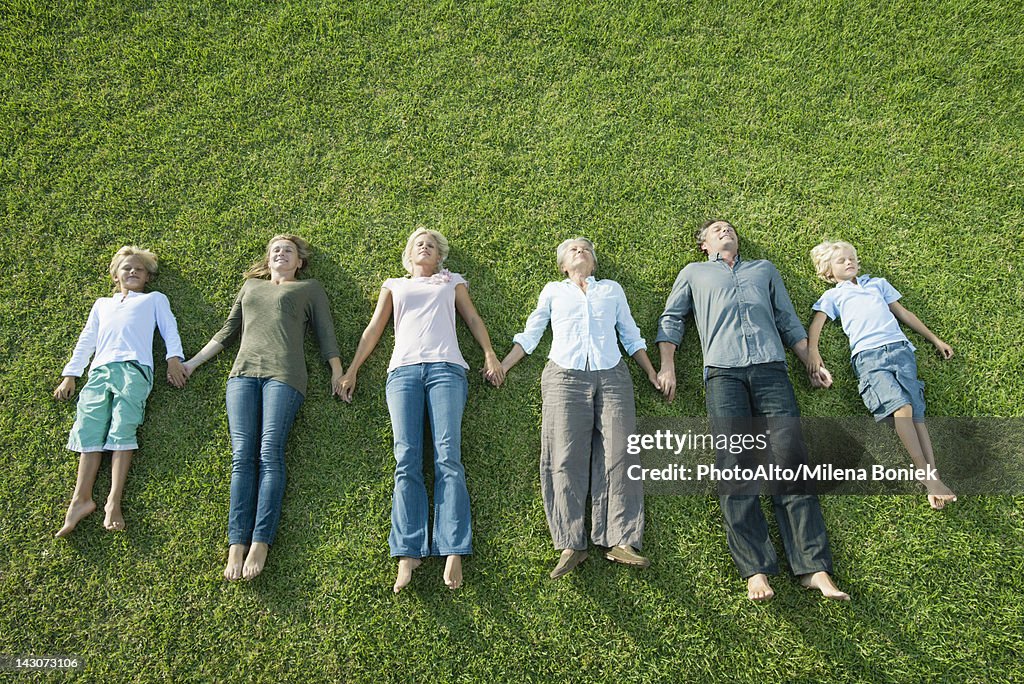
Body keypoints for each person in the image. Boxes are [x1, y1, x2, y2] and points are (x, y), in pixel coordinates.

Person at [656, 220, 849, 601]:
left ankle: (815, 568)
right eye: (716, 229)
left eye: (729, 228)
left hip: (771, 370)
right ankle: (755, 569)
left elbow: (786, 319)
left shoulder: (763, 269)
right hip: (723, 375)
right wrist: (668, 365)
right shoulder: (694, 273)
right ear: (704, 244)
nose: (725, 231)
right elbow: (672, 318)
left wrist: (811, 360)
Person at [338, 227, 504, 593]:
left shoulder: (452, 282)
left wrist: (490, 354)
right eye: (418, 244)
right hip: (403, 373)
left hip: (447, 370)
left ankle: (453, 547)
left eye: (430, 244)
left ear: (439, 255)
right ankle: (408, 552)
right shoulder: (394, 285)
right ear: (409, 255)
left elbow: (473, 319)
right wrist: (352, 370)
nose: (424, 247)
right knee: (406, 458)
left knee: (448, 458)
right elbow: (374, 329)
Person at [183, 235, 344, 581]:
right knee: (242, 456)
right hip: (242, 376)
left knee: (269, 453)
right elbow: (228, 331)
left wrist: (337, 371)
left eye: (288, 250)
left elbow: (325, 332)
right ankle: (236, 544)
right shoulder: (251, 287)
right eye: (275, 250)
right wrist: (191, 364)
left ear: (299, 261)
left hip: (284, 377)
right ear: (268, 260)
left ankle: (260, 541)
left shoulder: (309, 288)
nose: (281, 253)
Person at [500, 238, 660, 580]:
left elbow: (630, 334)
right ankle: (571, 543)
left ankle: (620, 540)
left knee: (621, 452)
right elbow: (531, 333)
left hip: (613, 373)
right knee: (563, 455)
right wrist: (503, 365)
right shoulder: (553, 291)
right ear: (562, 265)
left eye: (586, 248)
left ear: (594, 262)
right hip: (563, 375)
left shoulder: (612, 290)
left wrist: (651, 371)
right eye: (573, 249)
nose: (580, 250)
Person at [807, 239, 956, 509]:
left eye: (852, 257)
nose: (849, 262)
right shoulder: (833, 296)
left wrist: (935, 339)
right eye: (841, 261)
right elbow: (818, 323)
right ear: (829, 272)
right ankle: (928, 480)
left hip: (901, 352)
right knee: (902, 409)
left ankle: (934, 477)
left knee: (917, 415)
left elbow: (903, 314)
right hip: (868, 356)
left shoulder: (877, 284)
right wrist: (813, 353)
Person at [54, 246, 187, 537]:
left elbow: (169, 328)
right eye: (127, 267)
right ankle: (81, 498)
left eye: (139, 269)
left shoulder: (154, 300)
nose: (133, 272)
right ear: (115, 275)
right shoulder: (102, 304)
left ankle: (113, 500)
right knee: (89, 427)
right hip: (99, 371)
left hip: (134, 370)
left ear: (148, 277)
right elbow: (87, 339)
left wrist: (173, 358)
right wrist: (71, 374)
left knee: (122, 427)